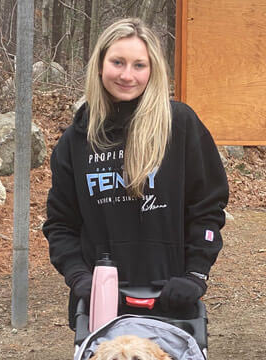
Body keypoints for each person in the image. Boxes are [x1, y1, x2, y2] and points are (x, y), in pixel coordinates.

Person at [43, 17, 229, 327]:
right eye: (118, 62)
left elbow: (208, 209)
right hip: (101, 303)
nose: (127, 75)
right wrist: (79, 277)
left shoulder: (179, 125)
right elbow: (61, 224)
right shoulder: (77, 139)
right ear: (100, 65)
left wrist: (195, 274)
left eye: (139, 65)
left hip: (171, 297)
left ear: (152, 70)